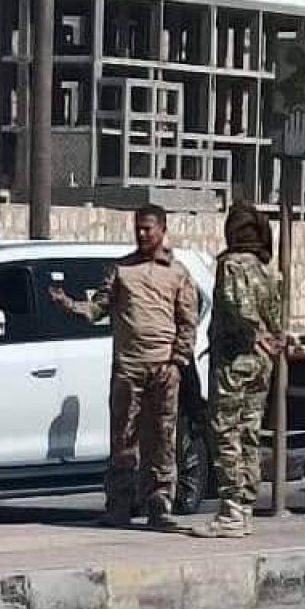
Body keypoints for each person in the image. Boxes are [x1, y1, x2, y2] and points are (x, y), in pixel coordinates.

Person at [50, 205, 198, 530]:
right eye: (138, 228)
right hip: (128, 370)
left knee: (161, 438)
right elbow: (97, 308)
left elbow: (188, 321)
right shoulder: (121, 270)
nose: (142, 234)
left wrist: (177, 362)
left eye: (148, 228)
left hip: (163, 369)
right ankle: (119, 504)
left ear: (162, 229)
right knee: (122, 439)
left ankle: (159, 505)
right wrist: (68, 305)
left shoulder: (177, 273)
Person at [193, 203, 283, 539]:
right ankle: (244, 505)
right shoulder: (264, 268)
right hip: (261, 364)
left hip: (234, 360)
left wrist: (253, 333)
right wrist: (271, 338)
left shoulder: (232, 265)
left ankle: (231, 509)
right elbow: (276, 314)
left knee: (225, 431)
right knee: (249, 432)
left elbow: (237, 305)